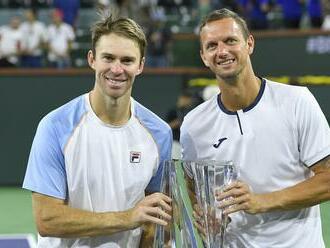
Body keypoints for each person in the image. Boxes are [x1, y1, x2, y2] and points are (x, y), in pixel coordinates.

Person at [180, 8, 330, 247]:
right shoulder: (194, 124)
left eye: (230, 41)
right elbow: (193, 186)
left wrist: (261, 201)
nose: (222, 51)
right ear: (204, 57)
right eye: (212, 45)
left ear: (249, 44)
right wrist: (207, 214)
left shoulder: (297, 101)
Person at [22, 12, 172, 248]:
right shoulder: (55, 126)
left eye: (127, 60)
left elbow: (153, 220)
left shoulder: (160, 133)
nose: (116, 69)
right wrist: (127, 217)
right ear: (92, 59)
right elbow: (47, 219)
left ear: (141, 65)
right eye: (108, 58)